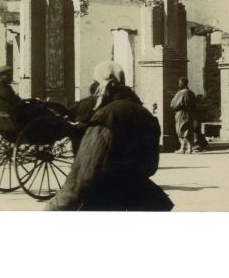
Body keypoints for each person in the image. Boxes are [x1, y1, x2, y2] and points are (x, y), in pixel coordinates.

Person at [45, 61, 173, 211]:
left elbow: (85, 173)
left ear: (99, 85)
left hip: (105, 200)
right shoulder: (144, 113)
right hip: (140, 199)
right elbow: (151, 166)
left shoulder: (106, 116)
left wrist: (54, 207)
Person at [170, 77, 196, 154]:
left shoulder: (181, 93)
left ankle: (183, 148)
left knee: (181, 130)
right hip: (190, 113)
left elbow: (173, 104)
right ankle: (189, 148)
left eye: (179, 83)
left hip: (181, 113)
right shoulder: (191, 93)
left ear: (182, 83)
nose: (179, 84)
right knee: (188, 129)